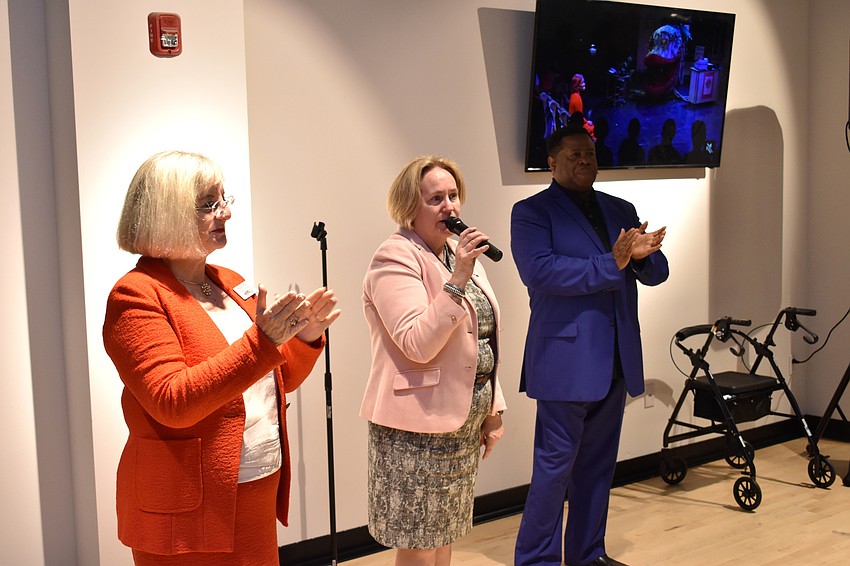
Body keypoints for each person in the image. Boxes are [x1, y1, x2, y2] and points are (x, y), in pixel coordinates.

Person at [102, 150, 341, 565]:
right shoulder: (136, 295)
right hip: (186, 507)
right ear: (167, 213)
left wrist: (303, 338)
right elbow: (172, 402)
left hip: (255, 484)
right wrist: (262, 344)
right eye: (208, 205)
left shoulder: (228, 282)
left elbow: (268, 379)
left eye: (224, 200)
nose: (226, 213)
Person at [510, 126, 669, 566]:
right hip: (564, 361)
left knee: (599, 468)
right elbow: (541, 272)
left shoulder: (621, 208)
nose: (585, 161)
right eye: (575, 154)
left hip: (616, 357)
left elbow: (655, 273)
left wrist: (646, 253)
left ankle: (587, 555)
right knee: (553, 469)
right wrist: (613, 260)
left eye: (591, 154)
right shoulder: (530, 212)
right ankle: (537, 560)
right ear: (553, 162)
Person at [360, 155, 507, 566]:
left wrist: (493, 410)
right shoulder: (395, 257)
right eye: (435, 198)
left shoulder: (453, 254)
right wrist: (458, 279)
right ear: (410, 207)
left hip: (462, 423)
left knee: (444, 538)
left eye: (454, 196)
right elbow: (416, 343)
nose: (450, 206)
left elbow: (483, 338)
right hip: (416, 429)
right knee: (420, 545)